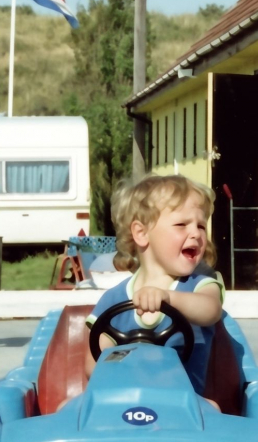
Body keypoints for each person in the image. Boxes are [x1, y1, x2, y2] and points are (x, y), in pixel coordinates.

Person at [84, 174, 224, 409]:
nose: (196, 234)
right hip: (122, 403)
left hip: (182, 405)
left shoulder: (199, 283)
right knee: (66, 408)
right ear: (141, 233)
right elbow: (92, 361)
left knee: (213, 409)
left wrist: (168, 298)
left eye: (201, 225)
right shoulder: (114, 300)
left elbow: (211, 310)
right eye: (181, 224)